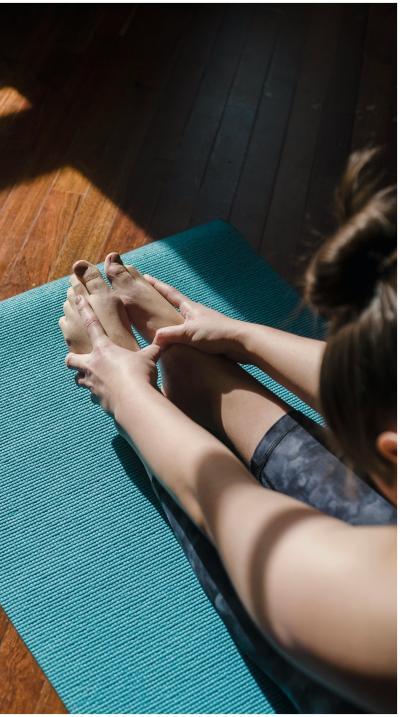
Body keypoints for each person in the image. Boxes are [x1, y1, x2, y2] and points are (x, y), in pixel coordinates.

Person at [59, 148, 396, 713]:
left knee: (249, 562)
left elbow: (226, 503)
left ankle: (186, 390)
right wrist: (239, 337)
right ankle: (198, 379)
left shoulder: (383, 610)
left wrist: (124, 390)